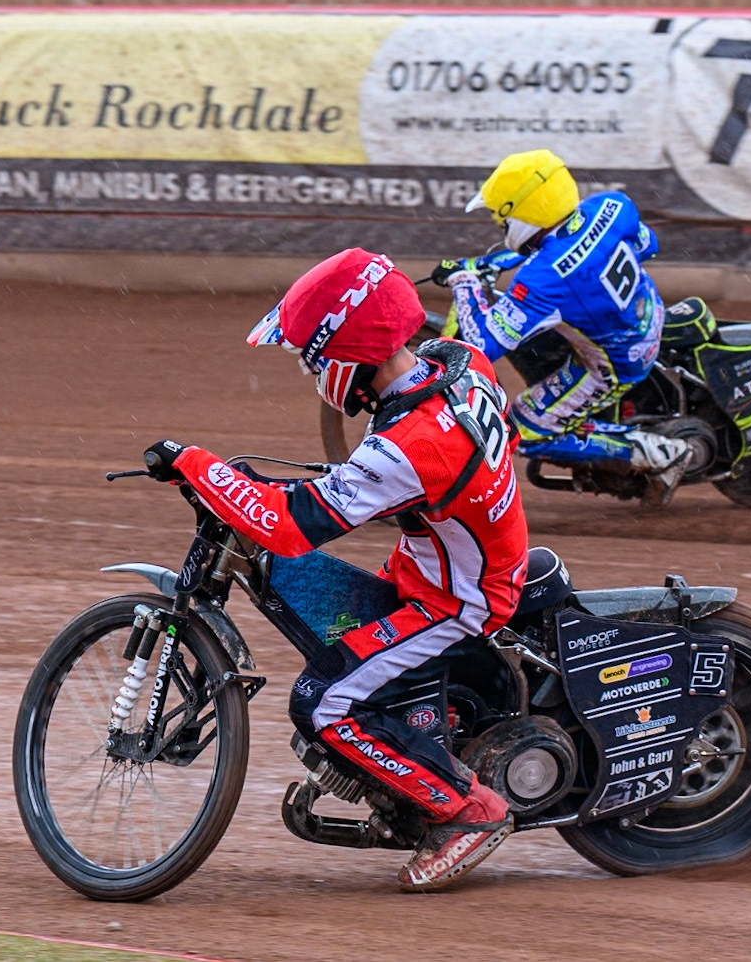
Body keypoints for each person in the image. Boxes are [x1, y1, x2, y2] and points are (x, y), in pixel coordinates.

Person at [143, 247, 528, 891]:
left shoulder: (412, 446)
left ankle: (468, 811)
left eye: (312, 357)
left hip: (458, 601)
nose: (311, 371)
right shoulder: (455, 363)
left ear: (348, 353)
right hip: (441, 564)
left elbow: (286, 528)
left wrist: (193, 462)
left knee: (322, 702)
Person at [432, 148, 710, 492]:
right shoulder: (611, 206)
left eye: (501, 218)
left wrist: (463, 282)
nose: (499, 225)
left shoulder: (542, 280)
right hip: (647, 312)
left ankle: (660, 452)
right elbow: (646, 244)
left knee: (524, 430)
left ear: (524, 213)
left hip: (616, 360)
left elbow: (480, 346)